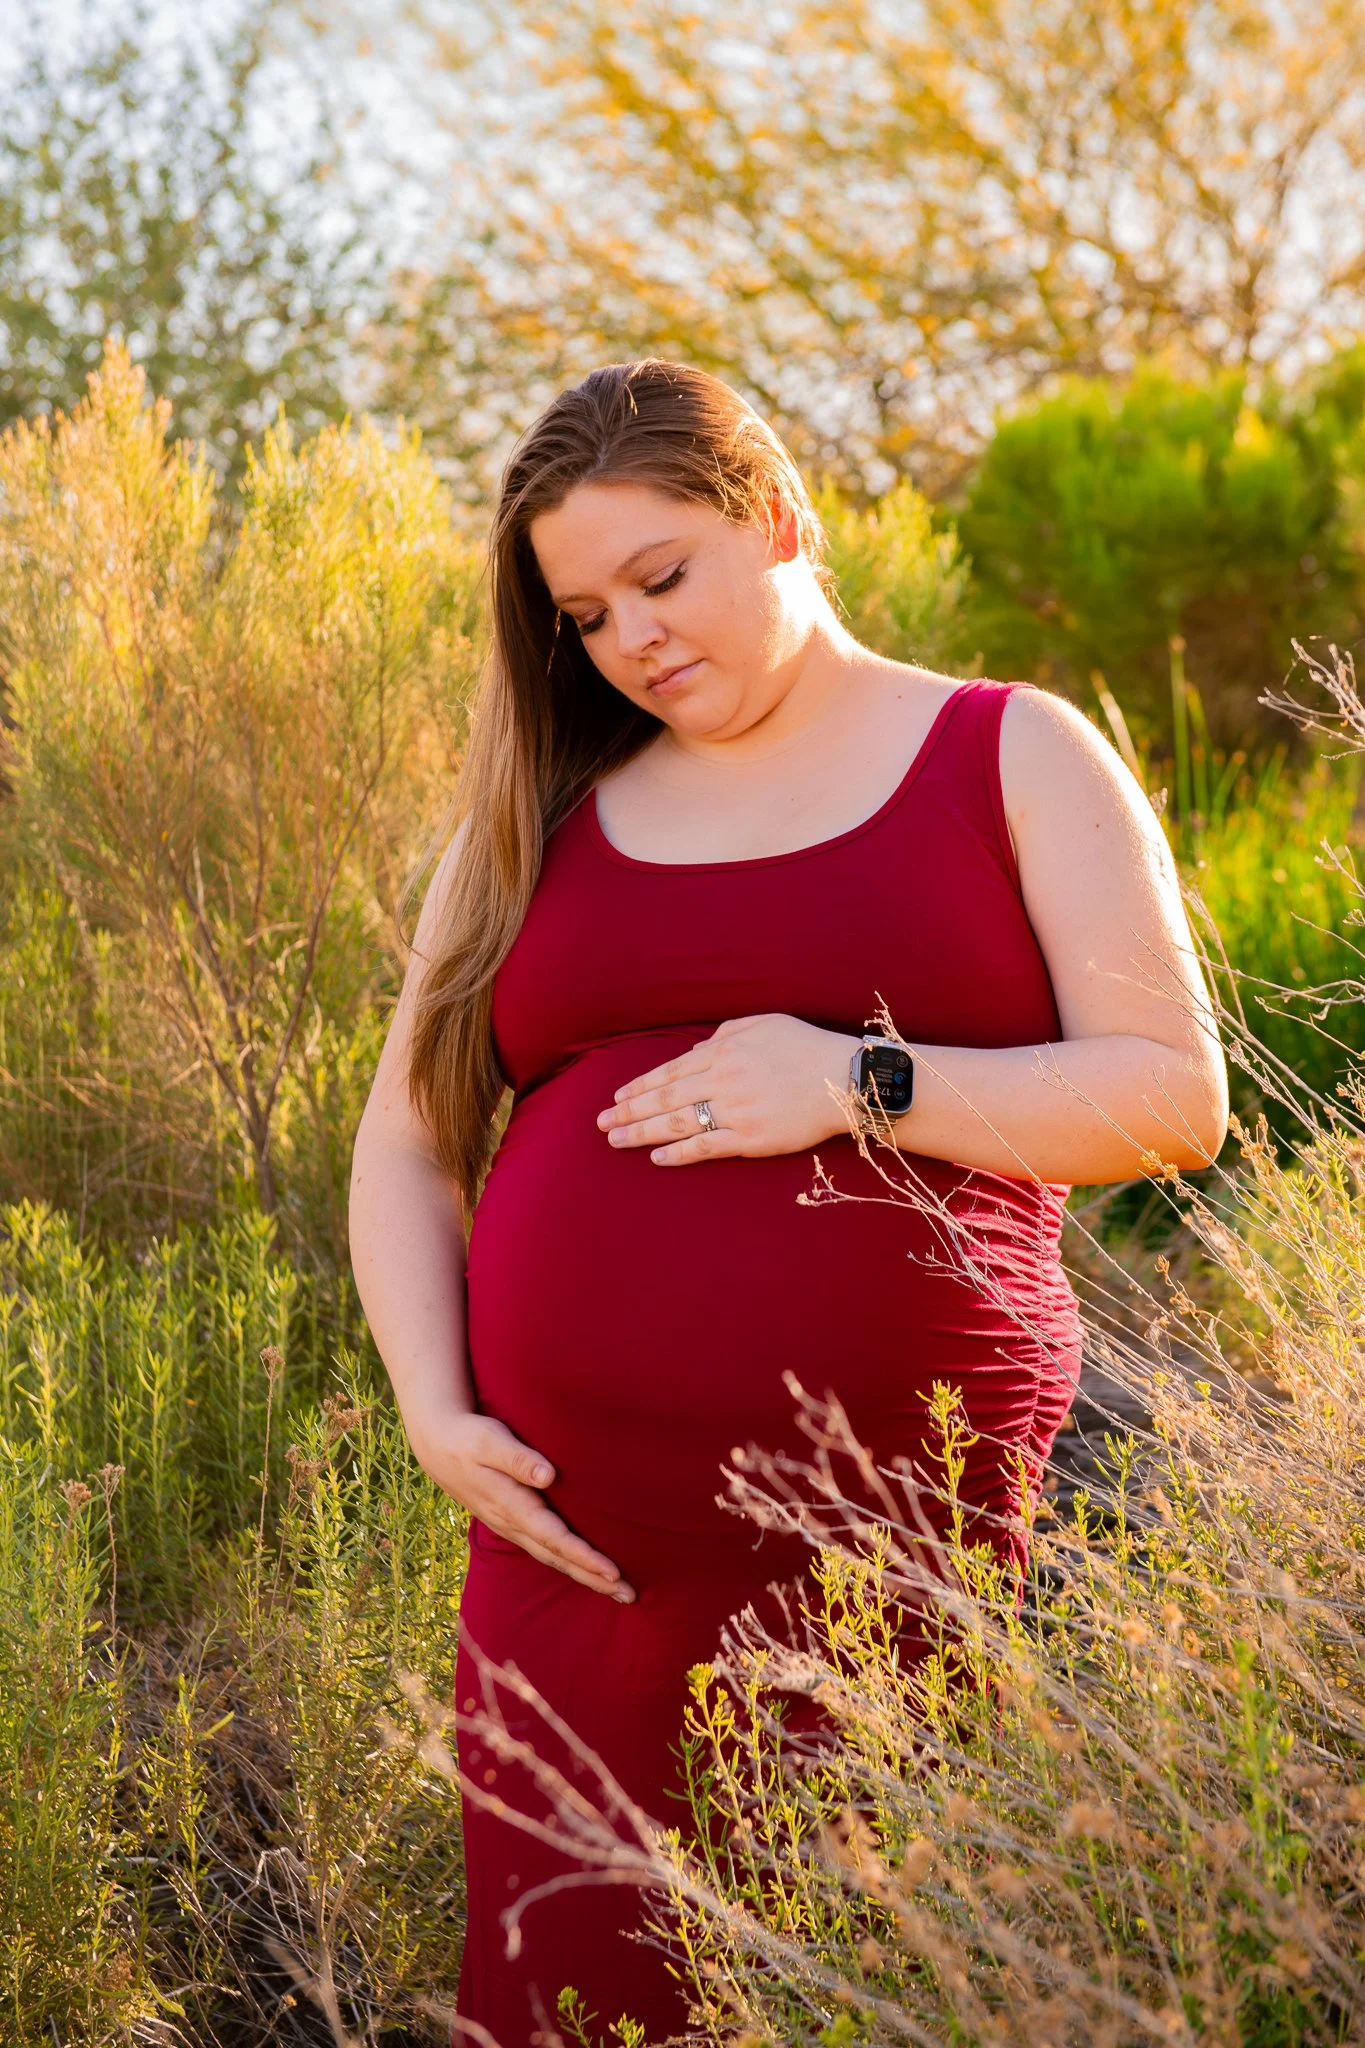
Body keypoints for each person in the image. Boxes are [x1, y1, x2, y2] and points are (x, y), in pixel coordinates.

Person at [347, 358, 1229, 2042]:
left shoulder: (1008, 752)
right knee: (568, 1993)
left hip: (886, 1546)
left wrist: (854, 1079)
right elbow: (406, 1142)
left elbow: (1171, 1099)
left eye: (664, 577)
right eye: (588, 615)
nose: (634, 641)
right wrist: (429, 1406)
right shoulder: (537, 818)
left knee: (853, 1974)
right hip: (577, 1557)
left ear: (780, 517)